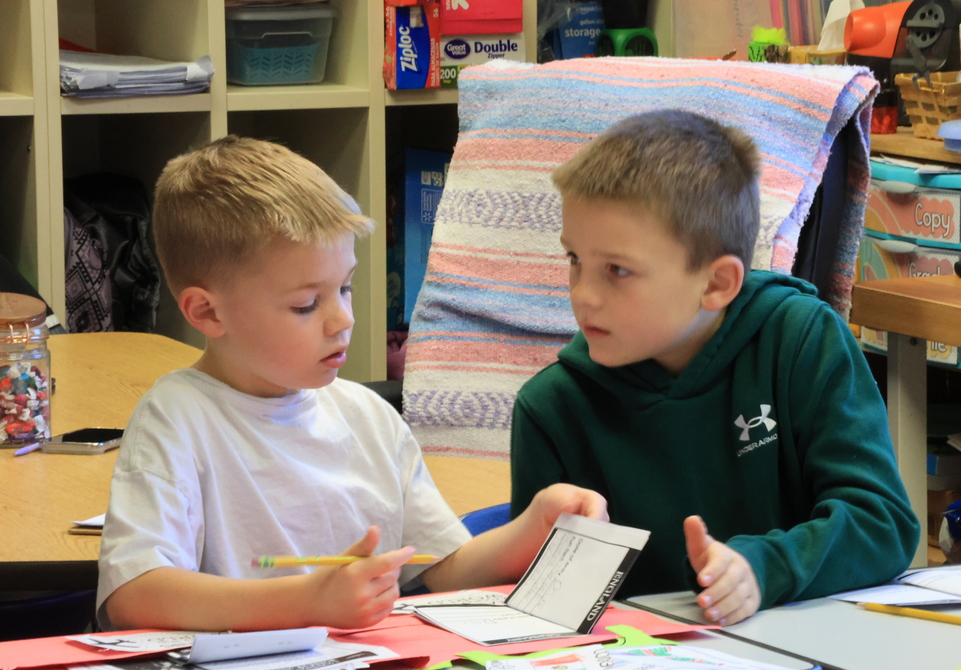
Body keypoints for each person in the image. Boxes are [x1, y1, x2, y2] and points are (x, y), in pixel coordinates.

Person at [97, 136, 606, 632]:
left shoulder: (367, 417)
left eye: (345, 287)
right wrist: (309, 602)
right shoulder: (176, 418)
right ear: (207, 312)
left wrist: (532, 529)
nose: (343, 319)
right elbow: (134, 596)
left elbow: (445, 567)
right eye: (305, 305)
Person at [509, 110, 919, 627]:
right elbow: (539, 608)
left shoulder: (802, 342)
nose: (583, 295)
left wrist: (762, 569)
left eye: (616, 270)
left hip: (810, 646)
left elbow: (882, 523)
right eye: (574, 260)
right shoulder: (549, 408)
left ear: (717, 284)